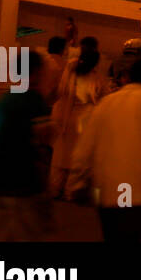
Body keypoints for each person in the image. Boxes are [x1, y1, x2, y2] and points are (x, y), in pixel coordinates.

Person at [69, 57, 141, 242]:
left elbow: (86, 145)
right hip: (136, 191)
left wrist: (77, 180)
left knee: (112, 237)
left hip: (106, 191)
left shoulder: (106, 102)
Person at [0, 52, 52, 241]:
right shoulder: (35, 102)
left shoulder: (3, 101)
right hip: (22, 183)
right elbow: (43, 145)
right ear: (37, 73)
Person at [48, 46, 108, 200]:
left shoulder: (71, 74)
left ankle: (55, 189)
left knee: (61, 159)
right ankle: (71, 192)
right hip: (86, 122)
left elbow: (60, 92)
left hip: (66, 120)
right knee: (78, 161)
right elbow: (104, 99)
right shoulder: (97, 78)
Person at [42, 36, 68, 106]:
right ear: (61, 49)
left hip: (39, 99)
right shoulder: (66, 66)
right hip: (56, 103)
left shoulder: (41, 61)